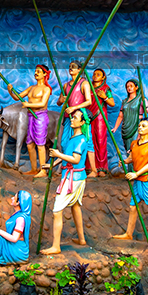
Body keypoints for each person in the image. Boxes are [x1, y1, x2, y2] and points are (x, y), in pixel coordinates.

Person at [40, 109, 91, 255]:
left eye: (75, 118)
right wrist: (53, 164)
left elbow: (75, 159)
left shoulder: (81, 140)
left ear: (82, 122)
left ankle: (56, 246)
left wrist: (58, 153)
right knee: (75, 206)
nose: (72, 119)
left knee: (57, 210)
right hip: (74, 177)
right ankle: (81, 239)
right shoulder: (72, 138)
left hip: (72, 179)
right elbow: (66, 156)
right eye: (72, 117)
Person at [112, 119, 148, 248]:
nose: (140, 127)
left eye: (144, 126)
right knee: (133, 207)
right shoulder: (134, 143)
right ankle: (129, 233)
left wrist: (136, 174)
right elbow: (132, 158)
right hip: (138, 180)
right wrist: (125, 162)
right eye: (139, 125)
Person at [49, 62, 97, 178]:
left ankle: (94, 170)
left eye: (74, 67)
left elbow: (88, 101)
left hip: (81, 118)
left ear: (80, 70)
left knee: (88, 142)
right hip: (68, 118)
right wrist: (62, 99)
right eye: (70, 67)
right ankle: (65, 166)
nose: (71, 69)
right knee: (65, 142)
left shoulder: (84, 83)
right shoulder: (66, 85)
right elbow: (59, 102)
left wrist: (74, 108)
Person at [7, 65, 52, 176]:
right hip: (31, 116)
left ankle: (43, 170)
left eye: (39, 71)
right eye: (35, 71)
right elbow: (18, 97)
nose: (36, 73)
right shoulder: (31, 88)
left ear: (45, 74)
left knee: (40, 144)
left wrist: (28, 104)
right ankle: (34, 169)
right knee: (29, 144)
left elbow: (42, 104)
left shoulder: (46, 89)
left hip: (40, 117)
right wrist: (10, 91)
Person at [0, 190, 32, 265]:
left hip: (18, 250)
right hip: (12, 245)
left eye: (14, 198)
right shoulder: (17, 215)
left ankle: (0, 260)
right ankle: (0, 257)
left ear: (18, 202)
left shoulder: (20, 219)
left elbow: (14, 239)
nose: (12, 198)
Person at [112, 79, 148, 151]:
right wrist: (115, 128)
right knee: (128, 150)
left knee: (136, 148)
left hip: (137, 126)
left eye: (131, 86)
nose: (129, 88)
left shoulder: (141, 99)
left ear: (136, 87)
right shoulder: (125, 101)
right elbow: (120, 116)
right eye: (127, 86)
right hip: (126, 128)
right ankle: (130, 162)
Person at [88, 68, 116, 176]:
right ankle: (90, 167)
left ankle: (101, 168)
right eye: (94, 74)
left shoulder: (105, 89)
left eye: (98, 74)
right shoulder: (89, 87)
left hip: (99, 116)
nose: (95, 76)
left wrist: (104, 97)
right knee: (89, 140)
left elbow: (112, 103)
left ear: (103, 77)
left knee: (100, 141)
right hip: (89, 116)